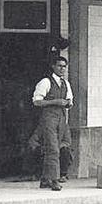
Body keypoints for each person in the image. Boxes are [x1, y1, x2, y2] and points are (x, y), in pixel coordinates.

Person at [31, 56, 73, 191]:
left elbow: (69, 101)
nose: (62, 69)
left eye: (64, 66)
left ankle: (45, 179)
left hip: (61, 118)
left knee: (61, 146)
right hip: (48, 119)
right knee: (53, 149)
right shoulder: (45, 82)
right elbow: (37, 102)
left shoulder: (66, 83)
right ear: (53, 67)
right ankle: (54, 180)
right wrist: (55, 102)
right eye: (60, 66)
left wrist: (67, 103)